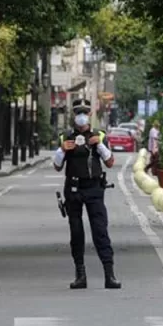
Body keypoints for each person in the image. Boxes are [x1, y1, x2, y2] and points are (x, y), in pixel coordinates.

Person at [53, 98, 120, 290]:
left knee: (100, 231)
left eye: (84, 112)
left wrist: (98, 145)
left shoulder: (99, 135)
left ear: (90, 115)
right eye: (78, 113)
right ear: (74, 116)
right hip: (73, 189)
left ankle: (110, 274)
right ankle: (80, 274)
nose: (81, 117)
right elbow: (57, 166)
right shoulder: (66, 136)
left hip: (94, 188)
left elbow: (109, 162)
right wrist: (62, 150)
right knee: (76, 232)